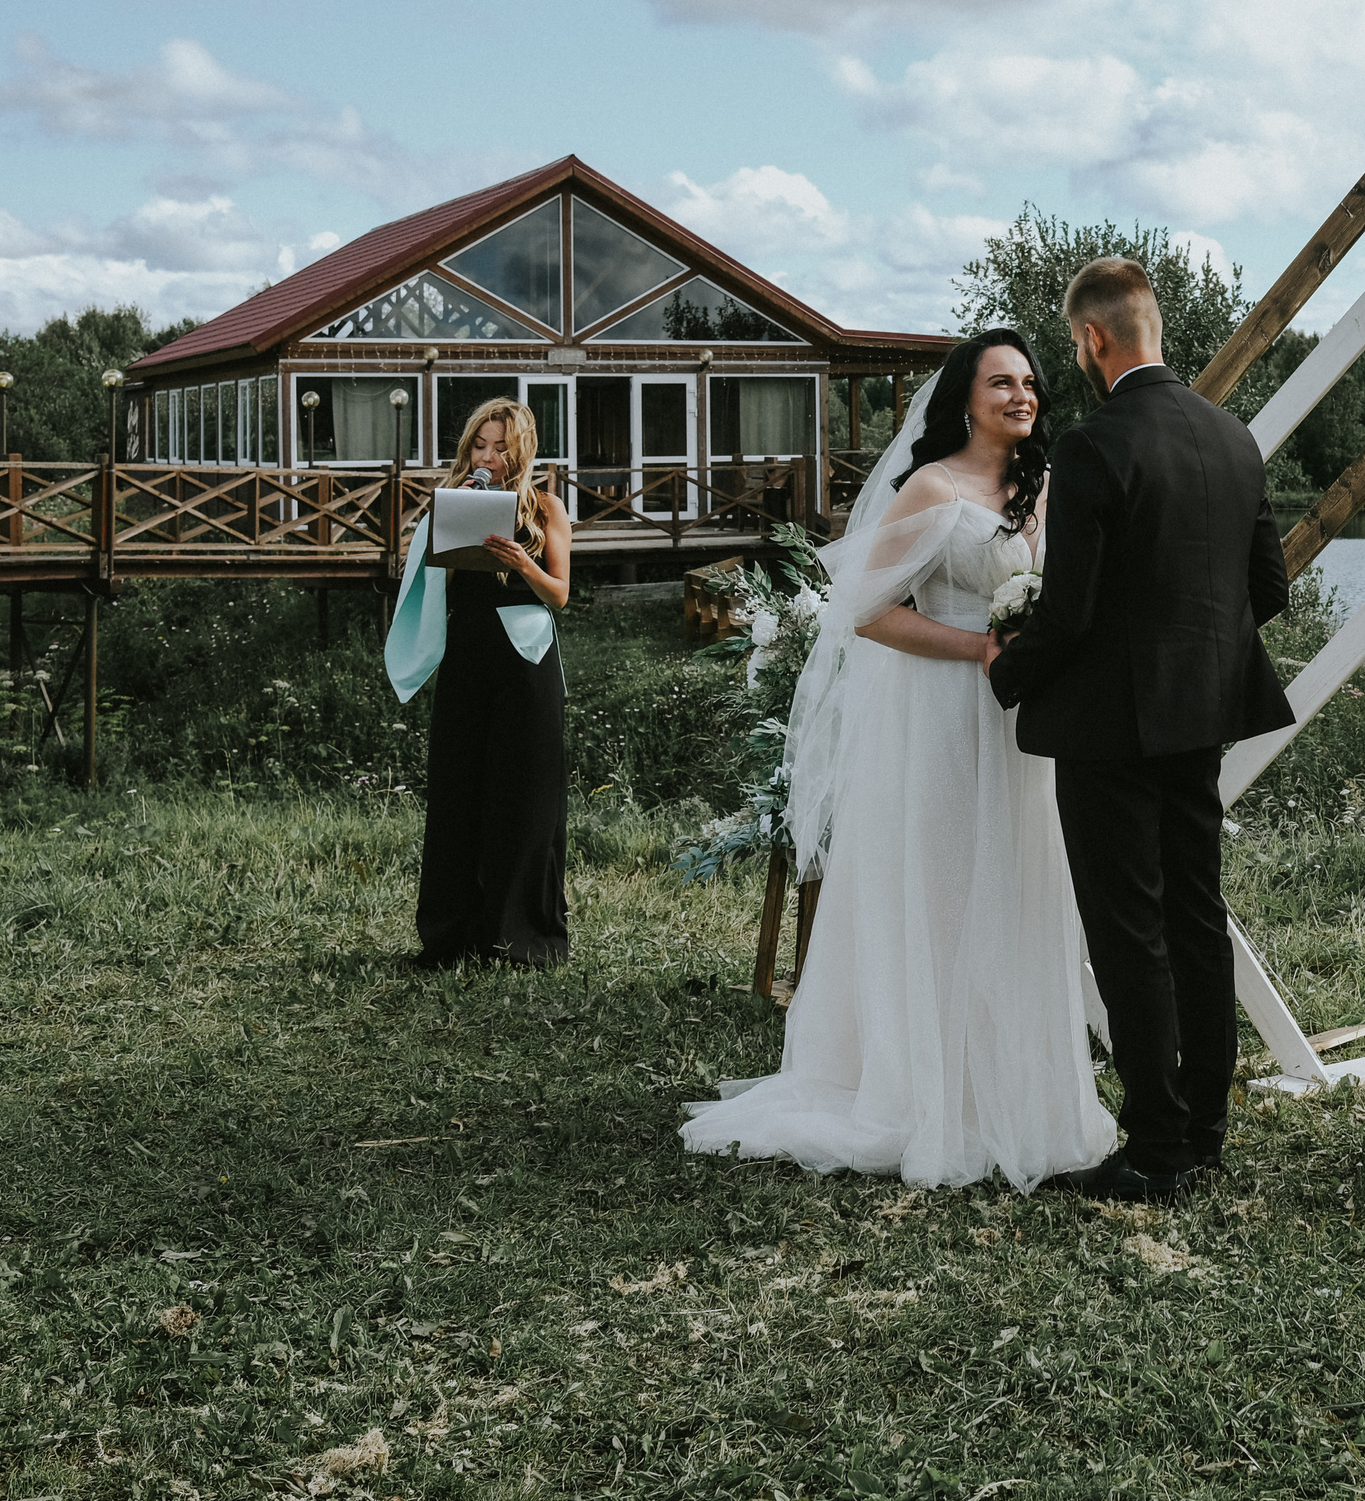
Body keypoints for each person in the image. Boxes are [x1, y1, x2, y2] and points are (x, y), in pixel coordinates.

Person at [679, 328, 1118, 1191]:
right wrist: (974, 648)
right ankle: (931, 1091)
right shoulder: (933, 486)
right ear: (965, 397)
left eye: (1029, 382)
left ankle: (1012, 1085)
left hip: (1022, 724)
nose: (1021, 395)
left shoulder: (1046, 487)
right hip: (945, 716)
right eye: (1001, 383)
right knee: (947, 886)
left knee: (1020, 884)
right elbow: (869, 611)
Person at [987, 257, 1295, 1201]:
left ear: (1091, 339)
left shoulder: (1093, 445)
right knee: (1197, 916)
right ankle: (1204, 1128)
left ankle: (1156, 1147)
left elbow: (1071, 614)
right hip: (1202, 718)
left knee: (1129, 931)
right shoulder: (1233, 437)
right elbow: (1269, 591)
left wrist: (1008, 669)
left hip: (1111, 729)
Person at [384, 398, 572, 970]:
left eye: (500, 446)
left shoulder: (545, 508)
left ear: (521, 452)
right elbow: (425, 572)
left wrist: (521, 563)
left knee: (525, 798)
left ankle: (523, 938)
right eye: (479, 445)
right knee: (458, 792)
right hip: (466, 654)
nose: (488, 455)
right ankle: (452, 936)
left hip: (525, 658)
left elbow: (559, 594)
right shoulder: (450, 503)